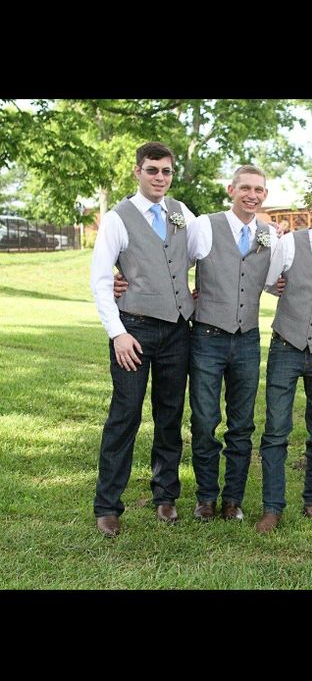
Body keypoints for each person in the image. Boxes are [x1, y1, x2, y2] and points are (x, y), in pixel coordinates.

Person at [91, 142, 198, 536]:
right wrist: (117, 334)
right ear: (138, 171)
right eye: (152, 170)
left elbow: (210, 249)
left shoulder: (182, 213)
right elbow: (102, 282)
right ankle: (107, 505)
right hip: (133, 330)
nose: (160, 178)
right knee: (125, 416)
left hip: (177, 331)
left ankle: (166, 496)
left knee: (169, 416)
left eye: (166, 171)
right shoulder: (118, 218)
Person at [255, 186, 312, 534]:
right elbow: (266, 281)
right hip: (286, 346)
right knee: (277, 429)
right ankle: (272, 507)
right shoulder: (288, 243)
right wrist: (278, 286)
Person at [187, 166, 278, 522]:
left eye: (258, 190)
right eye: (245, 188)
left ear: (265, 195)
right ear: (231, 189)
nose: (252, 195)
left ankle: (233, 500)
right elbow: (174, 263)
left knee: (241, 425)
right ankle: (205, 498)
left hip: (248, 340)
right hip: (207, 336)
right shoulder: (204, 225)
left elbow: (276, 279)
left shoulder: (271, 235)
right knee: (205, 420)